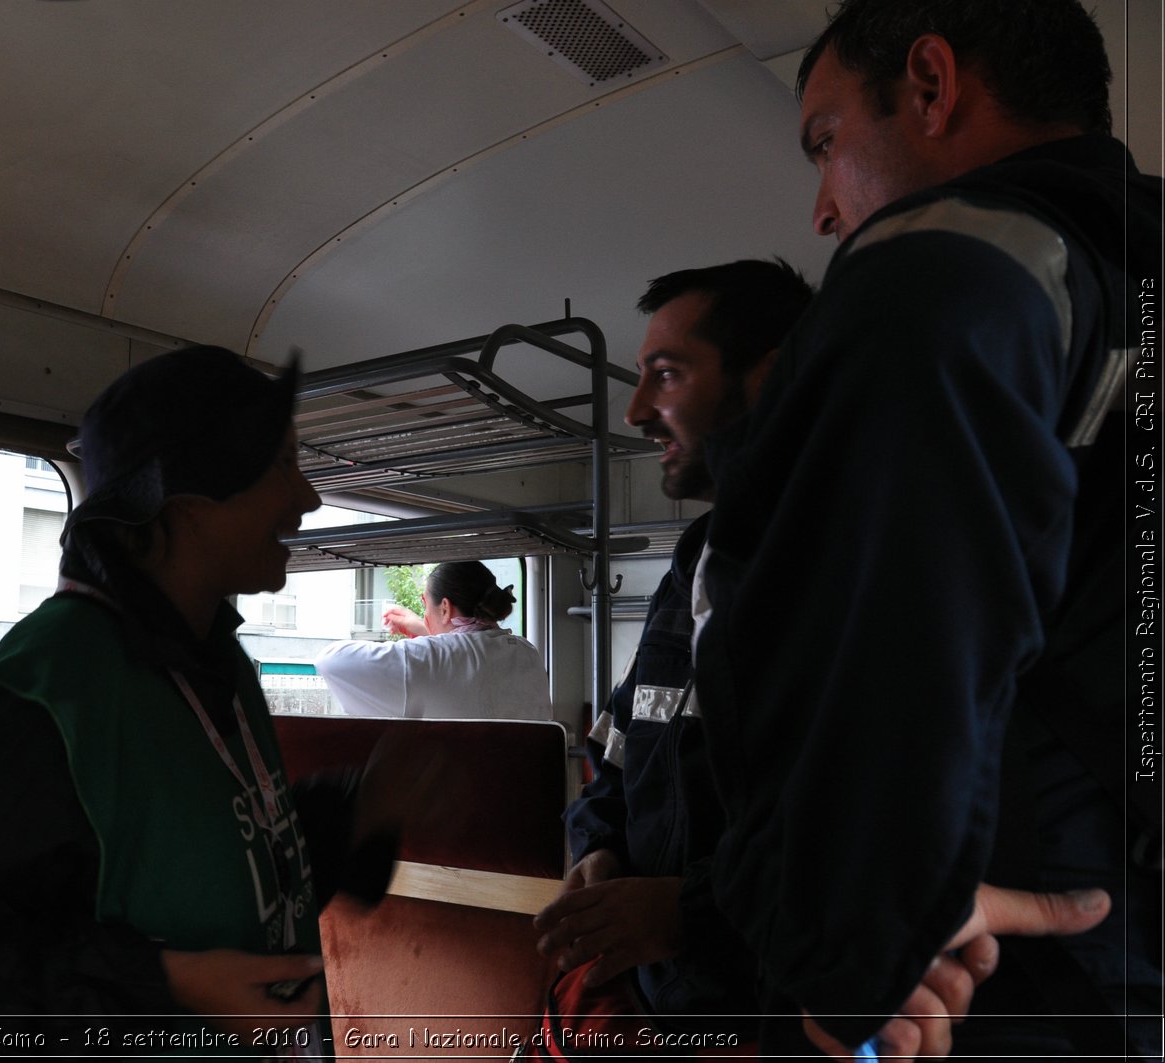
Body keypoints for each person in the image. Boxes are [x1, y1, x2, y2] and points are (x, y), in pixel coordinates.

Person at [693, 0, 1162, 1056]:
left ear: (931, 85)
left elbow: (896, 613)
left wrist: (857, 951)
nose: (821, 210)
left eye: (825, 144)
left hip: (1013, 967)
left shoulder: (956, 259)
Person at [0, 346, 423, 1058]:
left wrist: (361, 811)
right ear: (185, 494)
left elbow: (218, 861)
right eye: (281, 464)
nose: (308, 497)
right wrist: (163, 982)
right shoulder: (56, 685)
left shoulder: (217, 660)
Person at [533, 259, 814, 1048]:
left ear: (769, 379)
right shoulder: (696, 560)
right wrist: (599, 847)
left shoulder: (857, 555)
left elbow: (877, 826)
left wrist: (689, 914)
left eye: (666, 374)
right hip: (667, 1007)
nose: (635, 409)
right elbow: (622, 748)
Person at [314, 561, 551, 720]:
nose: (424, 617)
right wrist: (425, 630)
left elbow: (329, 660)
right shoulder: (527, 652)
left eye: (424, 605)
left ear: (445, 608)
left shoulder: (427, 659)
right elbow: (468, 655)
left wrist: (427, 635)